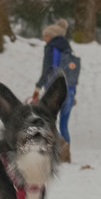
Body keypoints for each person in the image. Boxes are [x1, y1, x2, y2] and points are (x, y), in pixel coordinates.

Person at [31, 19, 76, 163]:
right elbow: (72, 72)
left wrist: (37, 89)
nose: (44, 39)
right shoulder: (67, 48)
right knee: (64, 124)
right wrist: (72, 92)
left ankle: (56, 152)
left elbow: (47, 70)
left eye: (45, 36)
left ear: (51, 36)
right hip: (69, 90)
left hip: (54, 91)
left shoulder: (50, 48)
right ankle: (65, 153)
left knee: (50, 122)